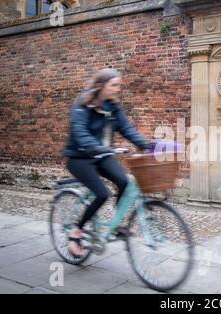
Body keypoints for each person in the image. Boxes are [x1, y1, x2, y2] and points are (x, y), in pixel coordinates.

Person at [62, 68, 150, 257]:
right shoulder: (83, 103)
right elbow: (80, 131)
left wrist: (144, 144)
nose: (117, 89)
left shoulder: (113, 106)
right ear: (101, 85)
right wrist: (96, 147)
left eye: (118, 85)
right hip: (78, 157)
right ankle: (75, 232)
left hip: (101, 155)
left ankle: (116, 223)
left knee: (124, 182)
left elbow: (126, 128)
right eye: (114, 85)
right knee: (102, 193)